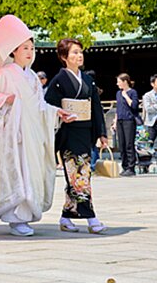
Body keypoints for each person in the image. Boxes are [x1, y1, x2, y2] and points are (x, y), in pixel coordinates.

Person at [0, 15, 74, 236]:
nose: (30, 52)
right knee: (16, 172)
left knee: (30, 173)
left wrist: (57, 112)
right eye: (24, 48)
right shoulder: (2, 75)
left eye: (32, 48)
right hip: (13, 136)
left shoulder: (31, 77)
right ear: (13, 51)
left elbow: (40, 106)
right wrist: (5, 100)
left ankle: (26, 214)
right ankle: (15, 217)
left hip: (30, 135)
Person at [44, 39, 109, 234]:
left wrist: (102, 133)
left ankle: (66, 217)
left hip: (85, 130)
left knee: (78, 176)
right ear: (64, 57)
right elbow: (48, 106)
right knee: (80, 175)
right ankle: (91, 219)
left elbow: (96, 107)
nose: (79, 55)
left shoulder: (88, 79)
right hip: (68, 132)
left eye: (80, 52)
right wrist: (60, 114)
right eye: (73, 53)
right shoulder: (58, 80)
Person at [114, 73, 140, 177]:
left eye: (119, 81)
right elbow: (118, 108)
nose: (117, 84)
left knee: (129, 144)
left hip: (129, 120)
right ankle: (124, 166)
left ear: (125, 82)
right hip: (120, 119)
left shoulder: (132, 92)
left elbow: (134, 105)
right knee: (122, 144)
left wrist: (126, 96)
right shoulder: (118, 93)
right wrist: (115, 121)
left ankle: (131, 167)